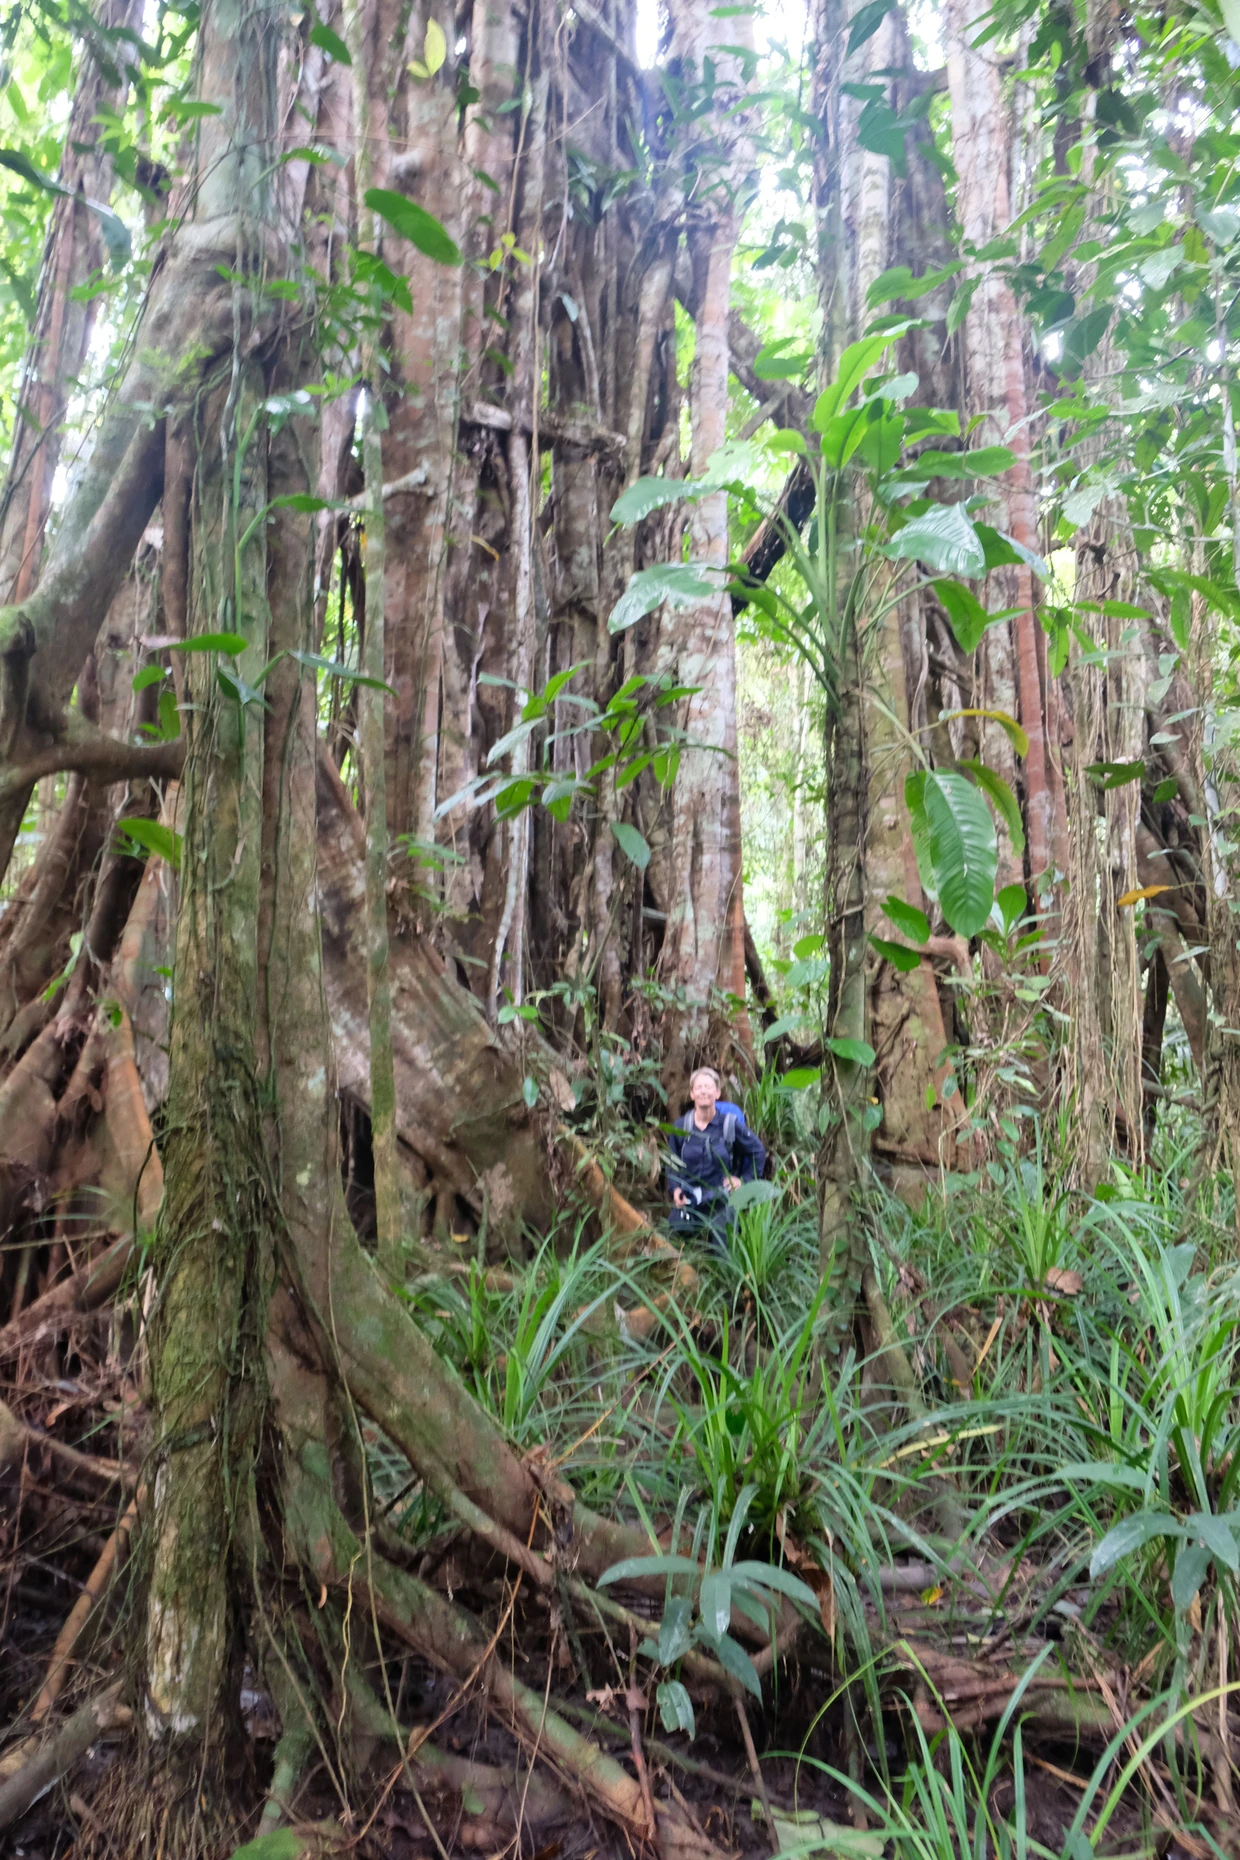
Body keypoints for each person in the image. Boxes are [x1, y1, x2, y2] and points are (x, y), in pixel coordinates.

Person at [666, 1066, 766, 1255]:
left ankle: (723, 1278)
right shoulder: (681, 1128)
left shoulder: (730, 1124)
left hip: (722, 1199)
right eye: (699, 1087)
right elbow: (672, 1162)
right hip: (690, 1198)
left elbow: (758, 1151)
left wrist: (744, 1180)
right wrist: (675, 1189)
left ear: (718, 1093)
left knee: (722, 1253)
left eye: (708, 1086)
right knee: (673, 1244)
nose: (704, 1091)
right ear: (692, 1094)